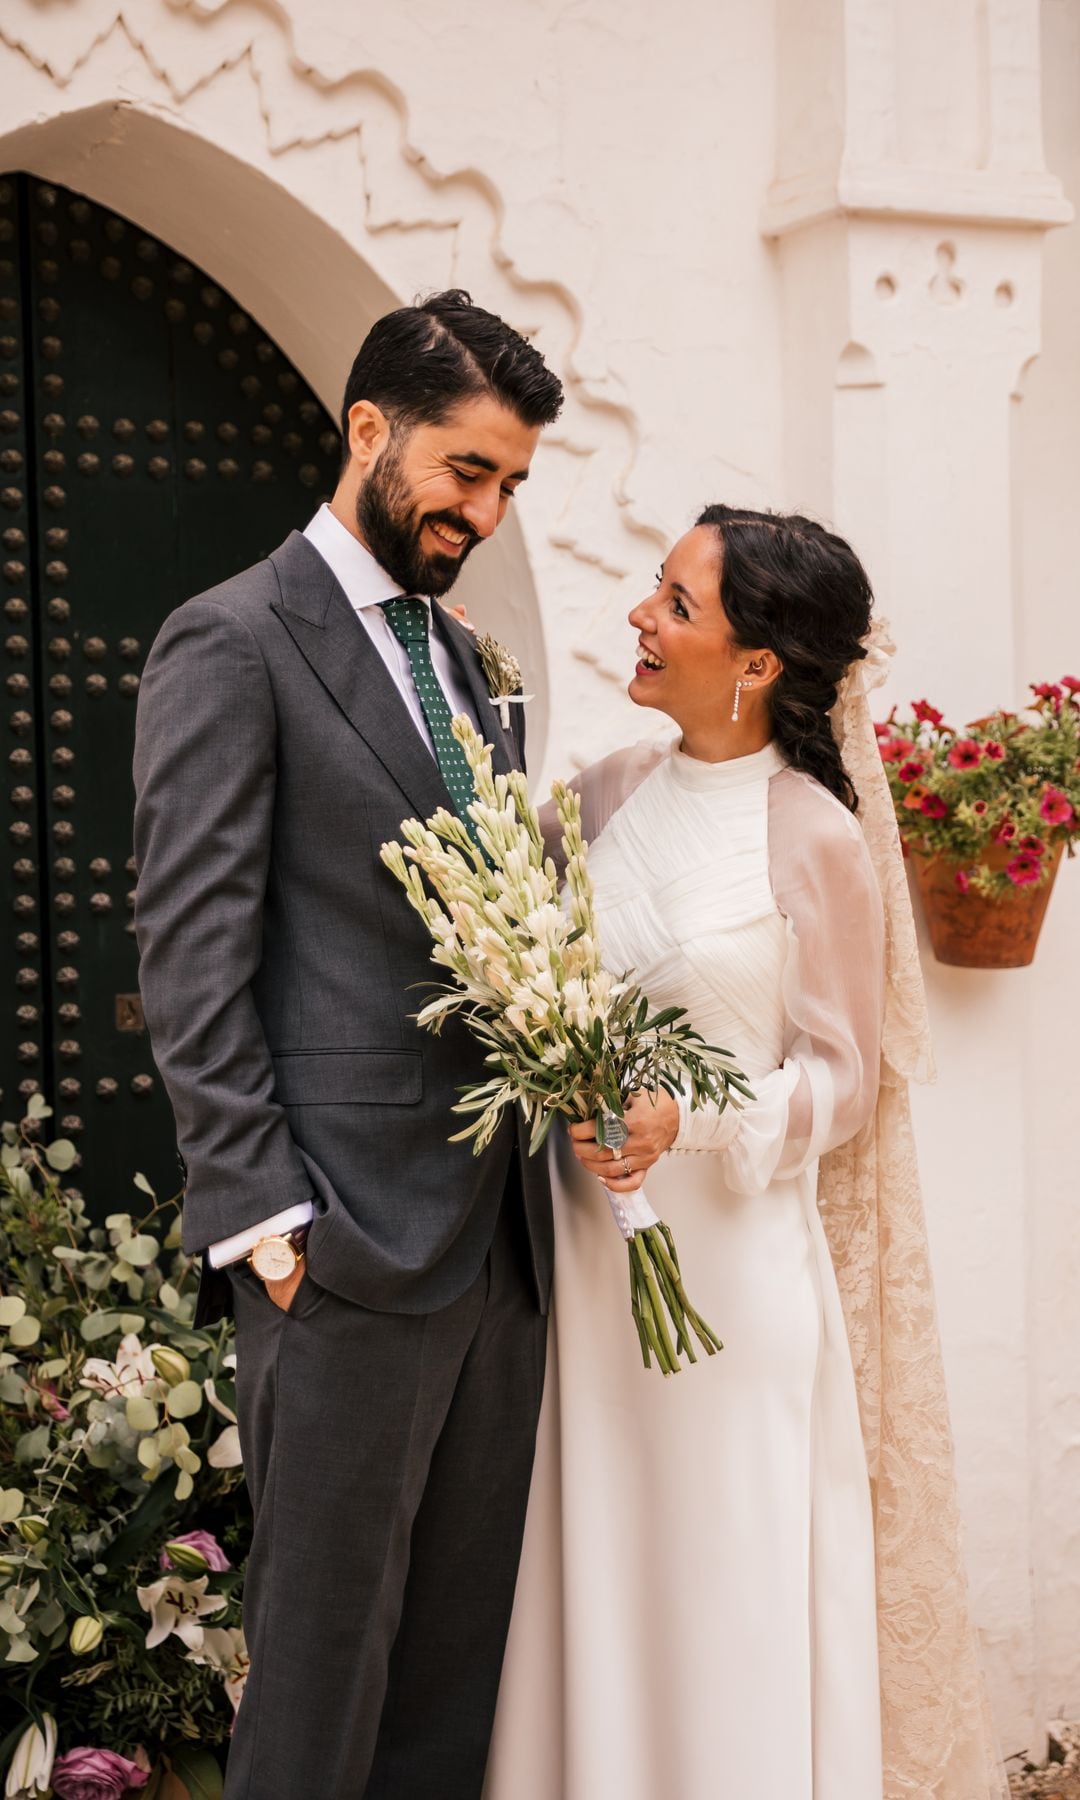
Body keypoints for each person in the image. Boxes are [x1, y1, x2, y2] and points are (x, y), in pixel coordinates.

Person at [485, 506, 1008, 1800]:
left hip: (729, 1283)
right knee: (600, 1575)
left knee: (724, 1588)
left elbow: (845, 1080)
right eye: (654, 589)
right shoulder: (602, 795)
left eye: (676, 603)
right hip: (591, 1269)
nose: (640, 616)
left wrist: (695, 1117)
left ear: (759, 661)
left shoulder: (815, 834)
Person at [132, 290, 563, 1800]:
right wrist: (264, 1219)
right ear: (370, 428)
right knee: (319, 1689)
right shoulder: (231, 640)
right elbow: (190, 953)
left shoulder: (468, 662)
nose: (486, 513)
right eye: (466, 470)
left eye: (511, 484)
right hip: (338, 1246)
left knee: (449, 1691)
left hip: (500, 1245)